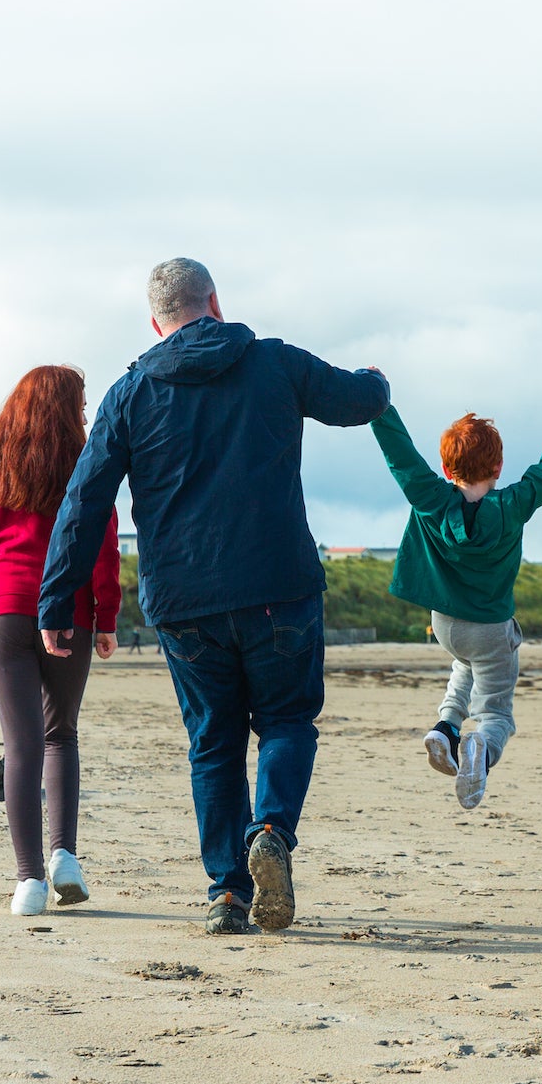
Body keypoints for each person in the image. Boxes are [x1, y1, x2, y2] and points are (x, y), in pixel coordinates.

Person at [37, 258, 389, 936]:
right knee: (286, 721)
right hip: (277, 587)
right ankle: (273, 833)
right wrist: (378, 380)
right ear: (215, 302)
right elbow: (357, 402)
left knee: (213, 742)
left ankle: (227, 891)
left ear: (155, 321)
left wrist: (56, 600)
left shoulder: (131, 390)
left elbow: (86, 499)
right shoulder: (274, 362)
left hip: (184, 598)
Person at [0, 365, 122, 918]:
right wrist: (107, 615)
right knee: (59, 736)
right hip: (69, 611)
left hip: (3, 612)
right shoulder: (84, 464)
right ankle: (64, 856)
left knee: (20, 745)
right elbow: (102, 545)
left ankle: (27, 882)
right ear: (69, 407)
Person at [369, 403, 542, 808]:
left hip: (446, 625)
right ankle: (479, 748)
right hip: (489, 627)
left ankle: (446, 728)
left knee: (463, 666)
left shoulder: (432, 499)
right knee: (497, 714)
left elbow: (403, 458)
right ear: (498, 467)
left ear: (447, 471)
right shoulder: (511, 506)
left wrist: (383, 410)